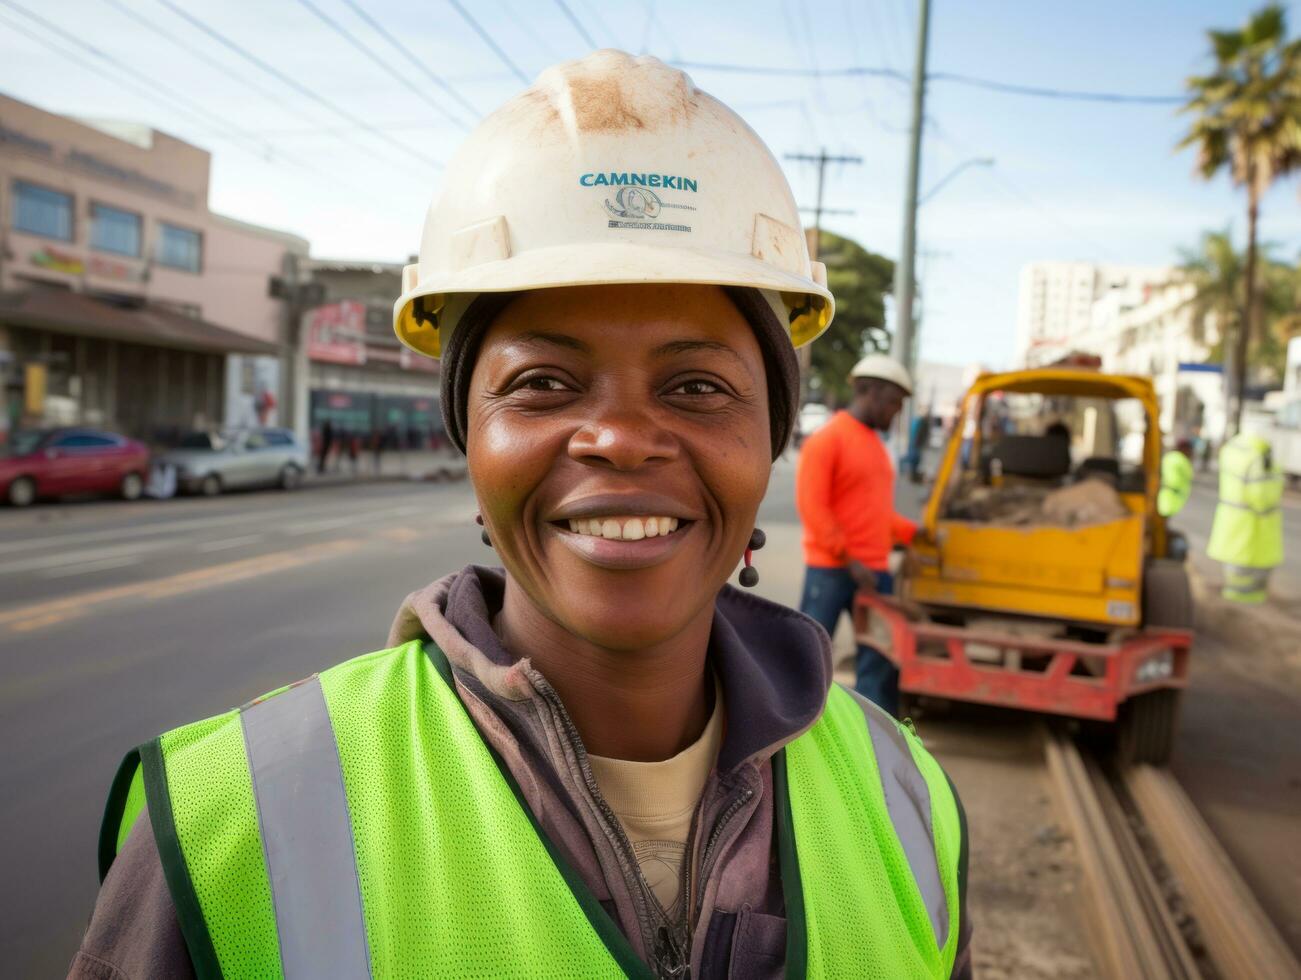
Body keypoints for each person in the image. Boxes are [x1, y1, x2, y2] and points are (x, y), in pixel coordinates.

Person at [72, 52, 969, 980]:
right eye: (542, 383)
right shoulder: (234, 822)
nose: (621, 438)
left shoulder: (906, 799)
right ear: (469, 438)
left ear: (768, 440)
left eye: (698, 386)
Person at [796, 354, 917, 715]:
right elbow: (813, 507)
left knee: (879, 661)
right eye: (894, 402)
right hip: (832, 570)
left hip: (874, 571)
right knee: (808, 660)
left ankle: (875, 739)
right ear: (871, 392)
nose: (896, 412)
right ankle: (794, 732)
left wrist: (915, 534)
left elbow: (875, 513)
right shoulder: (827, 440)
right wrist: (848, 557)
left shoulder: (875, 446)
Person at [1207, 431, 1284, 603]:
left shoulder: (1232, 450)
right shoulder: (1259, 457)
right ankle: (1246, 603)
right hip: (1254, 523)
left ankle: (1233, 598)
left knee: (1235, 566)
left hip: (1231, 518)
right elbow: (1261, 495)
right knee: (1251, 567)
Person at [1157, 439, 1195, 518]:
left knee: (1162, 516)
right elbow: (1190, 475)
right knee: (1165, 516)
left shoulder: (1169, 456)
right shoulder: (1181, 459)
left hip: (1165, 492)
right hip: (1173, 495)